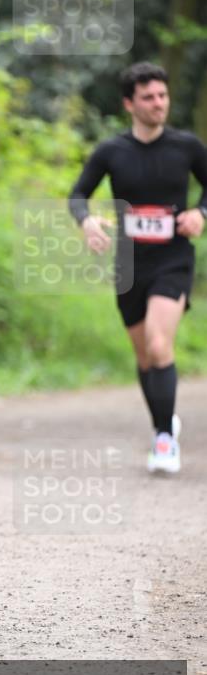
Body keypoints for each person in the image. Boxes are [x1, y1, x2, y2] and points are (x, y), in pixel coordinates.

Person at [69, 61, 207, 474]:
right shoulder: (112, 151)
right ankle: (164, 423)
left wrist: (201, 212)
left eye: (162, 96)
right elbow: (78, 195)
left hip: (174, 259)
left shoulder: (187, 147)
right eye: (148, 97)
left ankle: (164, 441)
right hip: (129, 263)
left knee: (159, 343)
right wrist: (87, 220)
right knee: (146, 356)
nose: (158, 103)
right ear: (130, 103)